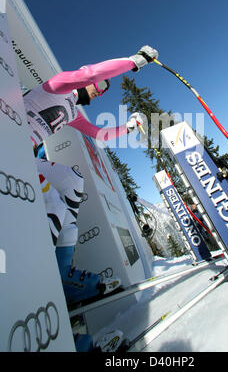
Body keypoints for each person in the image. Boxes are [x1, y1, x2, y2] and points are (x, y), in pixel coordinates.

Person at [23, 45, 158, 309]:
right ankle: (39, 278)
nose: (100, 92)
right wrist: (134, 61)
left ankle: (63, 275)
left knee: (72, 181)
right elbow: (88, 73)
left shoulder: (73, 112)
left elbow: (98, 135)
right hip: (8, 145)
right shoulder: (57, 85)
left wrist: (128, 127)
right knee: (52, 202)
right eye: (100, 86)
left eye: (104, 90)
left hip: (25, 158)